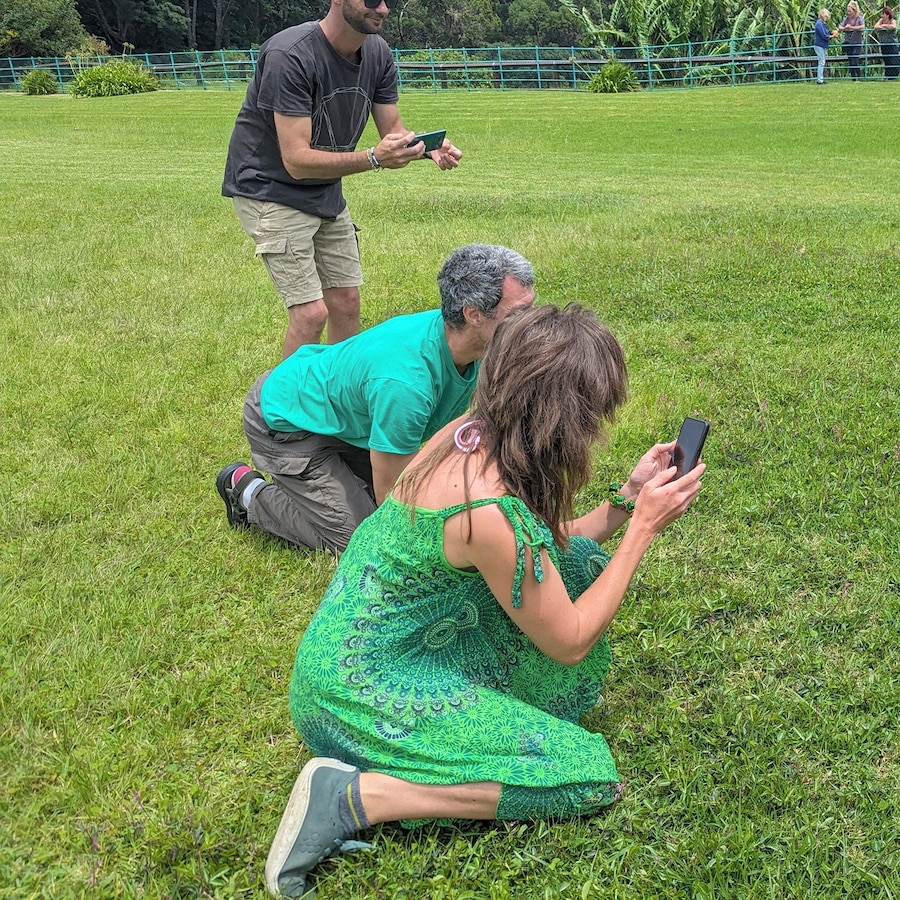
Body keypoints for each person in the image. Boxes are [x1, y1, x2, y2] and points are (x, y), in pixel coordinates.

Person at [261, 303, 705, 898]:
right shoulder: (490, 512)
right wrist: (643, 530)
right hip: (360, 693)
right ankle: (357, 796)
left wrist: (626, 499)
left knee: (573, 565)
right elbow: (570, 640)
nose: (597, 431)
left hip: (357, 658)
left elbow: (543, 551)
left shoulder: (468, 435)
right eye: (592, 417)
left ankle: (430, 751)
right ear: (562, 419)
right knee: (579, 774)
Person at [215, 244, 534, 553]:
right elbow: (391, 495)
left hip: (340, 423)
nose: (533, 323)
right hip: (284, 424)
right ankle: (248, 491)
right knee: (360, 538)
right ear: (474, 314)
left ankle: (328, 483)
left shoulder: (476, 347)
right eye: (521, 312)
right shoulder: (406, 383)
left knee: (422, 496)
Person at [222, 0, 465, 359]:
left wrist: (425, 146)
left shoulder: (377, 52)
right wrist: (372, 159)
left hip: (324, 189)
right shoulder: (289, 55)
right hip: (269, 188)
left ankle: (337, 401)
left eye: (388, 1)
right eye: (370, 0)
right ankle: (283, 409)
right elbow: (296, 160)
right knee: (310, 313)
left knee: (346, 303)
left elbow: (392, 129)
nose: (381, 8)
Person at [840, 1, 867, 80]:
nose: (848, 13)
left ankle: (859, 75)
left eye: (850, 11)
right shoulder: (846, 19)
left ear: (854, 10)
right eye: (847, 11)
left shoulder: (859, 18)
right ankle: (853, 78)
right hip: (848, 43)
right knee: (850, 60)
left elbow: (862, 26)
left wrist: (852, 27)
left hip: (857, 43)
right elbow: (840, 27)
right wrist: (845, 28)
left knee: (854, 60)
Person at [874, 4, 900, 79]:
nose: (882, 15)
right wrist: (884, 26)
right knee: (887, 60)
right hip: (884, 44)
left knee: (893, 60)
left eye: (883, 14)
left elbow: (893, 26)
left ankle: (894, 76)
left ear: (887, 15)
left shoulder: (893, 21)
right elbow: (876, 26)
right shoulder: (881, 20)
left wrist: (884, 26)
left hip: (892, 44)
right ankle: (888, 76)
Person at [813, 9, 837, 84]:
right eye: (826, 16)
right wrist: (832, 36)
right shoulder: (819, 24)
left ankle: (821, 79)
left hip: (821, 45)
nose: (826, 18)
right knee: (821, 62)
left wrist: (831, 32)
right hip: (819, 45)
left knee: (822, 62)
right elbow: (824, 36)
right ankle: (820, 80)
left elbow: (826, 32)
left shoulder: (821, 23)